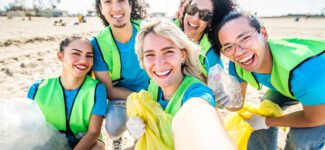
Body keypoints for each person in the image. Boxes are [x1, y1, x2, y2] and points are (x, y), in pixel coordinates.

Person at [214, 11, 325, 150]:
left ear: (264, 34)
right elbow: (237, 104)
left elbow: (316, 118)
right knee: (264, 108)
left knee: (301, 141)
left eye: (245, 38)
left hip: (316, 84)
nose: (238, 52)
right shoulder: (236, 66)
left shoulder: (306, 71)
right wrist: (225, 100)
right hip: (292, 84)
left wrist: (266, 122)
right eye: (228, 46)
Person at [134, 18, 235, 149]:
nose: (159, 64)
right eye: (150, 55)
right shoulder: (153, 86)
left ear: (182, 55)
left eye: (168, 52)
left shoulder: (196, 92)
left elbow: (198, 109)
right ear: (142, 61)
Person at [27, 35, 107, 149]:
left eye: (89, 56)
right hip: (50, 143)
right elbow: (29, 130)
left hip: (85, 143)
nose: (84, 60)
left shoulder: (97, 89)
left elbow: (93, 132)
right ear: (60, 56)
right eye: (76, 53)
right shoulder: (37, 89)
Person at [92, 0, 148, 148]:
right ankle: (117, 139)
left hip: (155, 92)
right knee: (113, 127)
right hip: (122, 95)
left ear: (131, 5)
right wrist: (139, 99)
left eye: (121, 0)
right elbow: (108, 90)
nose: (116, 8)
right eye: (108, 2)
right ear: (101, 8)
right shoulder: (98, 44)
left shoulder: (148, 31)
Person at [178, 0, 236, 77]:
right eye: (192, 9)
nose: (195, 18)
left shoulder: (210, 55)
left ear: (211, 22)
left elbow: (218, 87)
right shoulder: (169, 29)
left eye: (205, 15)